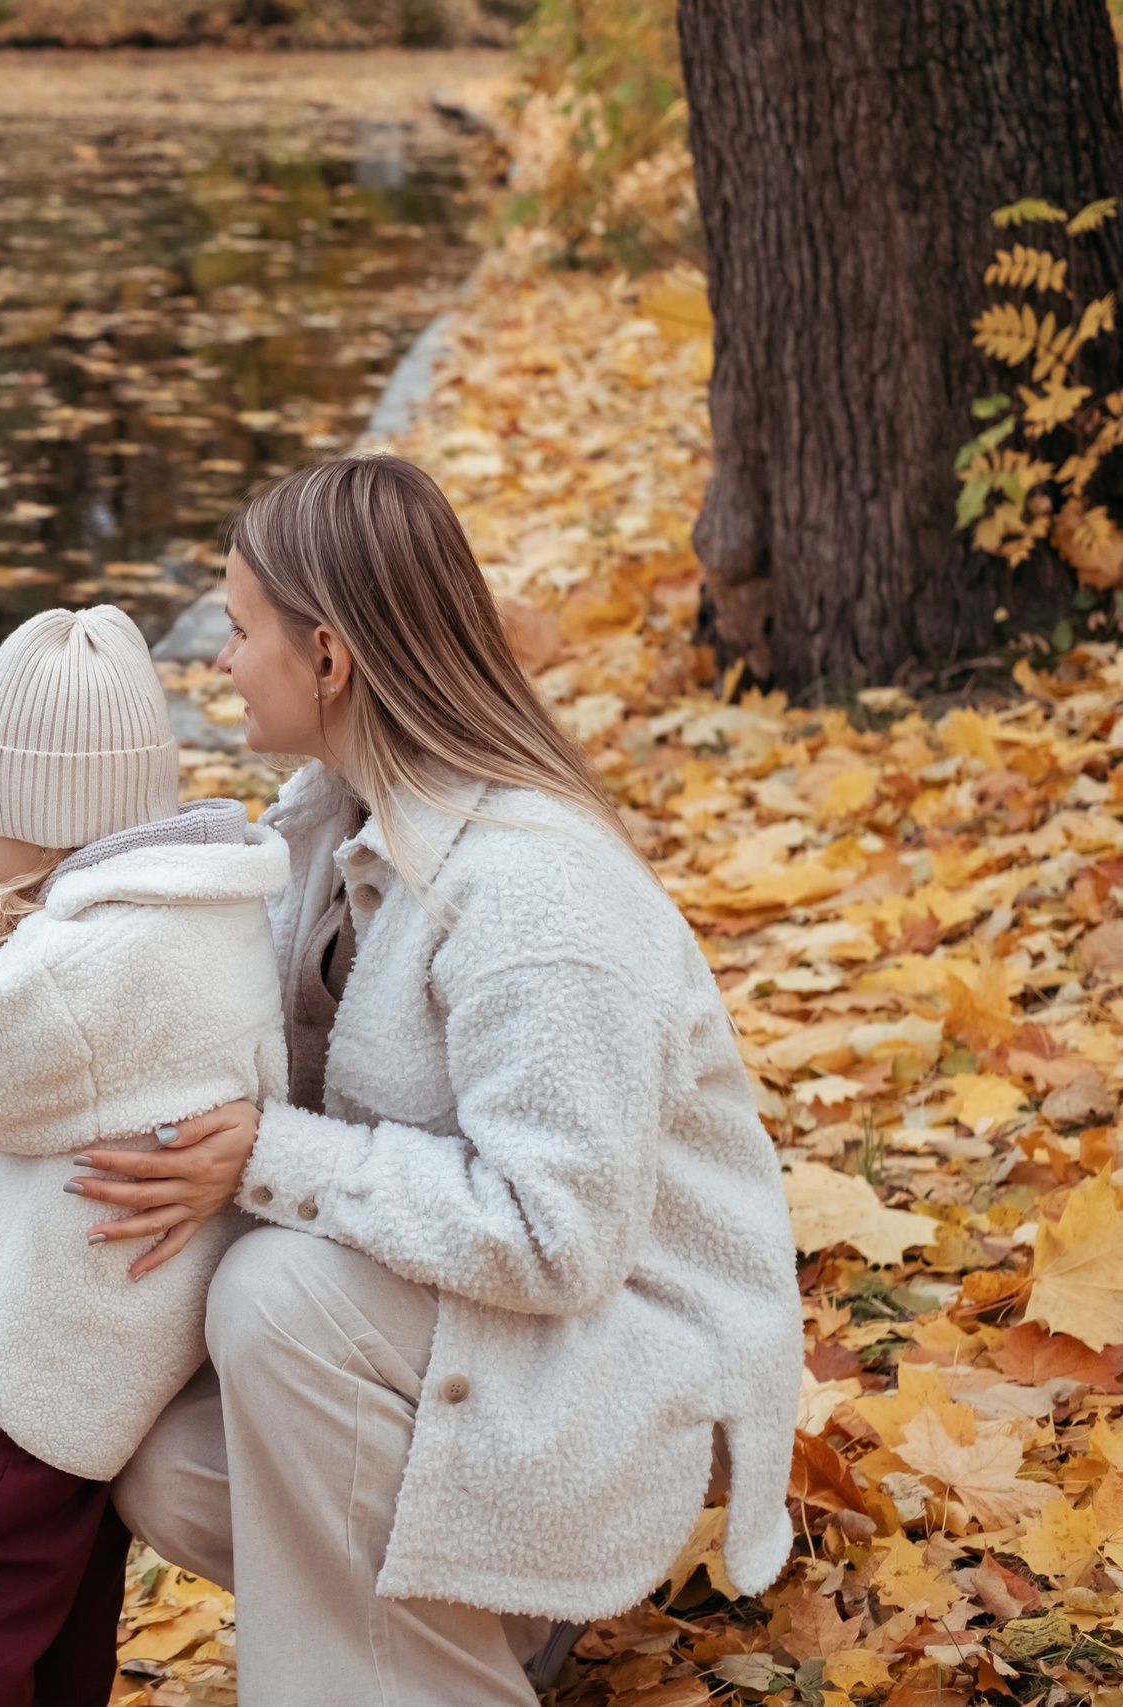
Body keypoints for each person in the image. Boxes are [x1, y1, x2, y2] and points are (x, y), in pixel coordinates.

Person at [72, 455, 803, 1704]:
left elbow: (559, 1237)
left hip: (622, 1357)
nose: (218, 663)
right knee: (163, 1456)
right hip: (486, 1342)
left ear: (330, 658)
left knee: (278, 1293)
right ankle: (484, 1629)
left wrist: (265, 1157)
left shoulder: (533, 890)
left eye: (239, 630)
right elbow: (207, 1035)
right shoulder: (327, 825)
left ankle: (441, 1659)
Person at [0, 604, 293, 1707]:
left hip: (65, 1316)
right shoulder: (200, 899)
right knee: (67, 1570)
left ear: (43, 815)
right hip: (130, 1299)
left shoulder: (92, 958)